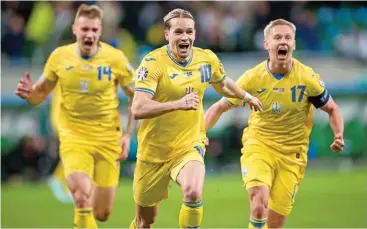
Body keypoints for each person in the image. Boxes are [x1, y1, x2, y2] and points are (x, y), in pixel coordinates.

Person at [129, 8, 263, 229]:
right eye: (179, 32)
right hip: (153, 152)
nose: (185, 37)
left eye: (189, 32)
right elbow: (138, 107)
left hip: (188, 146)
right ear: (167, 35)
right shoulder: (152, 63)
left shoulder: (206, 59)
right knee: (145, 221)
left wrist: (246, 96)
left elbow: (223, 83)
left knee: (192, 192)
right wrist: (179, 104)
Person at [204, 19, 344, 228]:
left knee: (274, 223)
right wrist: (199, 133)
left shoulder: (307, 78)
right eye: (277, 37)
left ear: (294, 44)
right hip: (259, 146)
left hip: (293, 155)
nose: (283, 42)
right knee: (259, 203)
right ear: (266, 44)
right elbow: (218, 107)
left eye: (288, 38)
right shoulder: (252, 78)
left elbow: (332, 108)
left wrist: (338, 134)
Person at [15, 4, 136, 228]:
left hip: (108, 140)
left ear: (100, 31)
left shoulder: (115, 59)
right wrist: (29, 94)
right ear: (75, 30)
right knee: (81, 198)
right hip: (74, 138)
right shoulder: (59, 57)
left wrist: (128, 134)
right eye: (84, 29)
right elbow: (40, 94)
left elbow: (137, 96)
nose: (89, 34)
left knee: (102, 213)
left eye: (94, 30)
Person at [47, 83, 73, 204]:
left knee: (73, 152)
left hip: (64, 119)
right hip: (63, 120)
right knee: (73, 152)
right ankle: (58, 179)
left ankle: (64, 183)